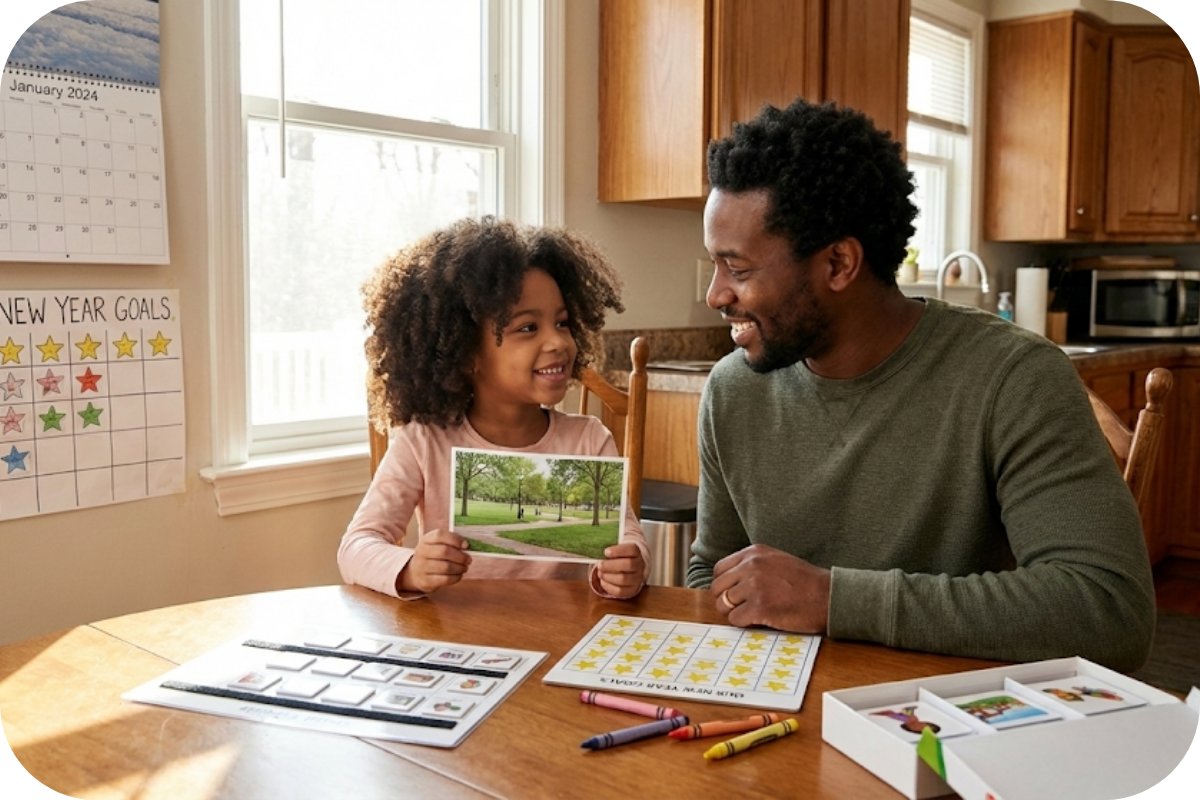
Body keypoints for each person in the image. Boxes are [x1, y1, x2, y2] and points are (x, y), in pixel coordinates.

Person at [686, 98, 1155, 672]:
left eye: (737, 269)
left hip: (948, 729)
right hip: (779, 718)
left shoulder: (1013, 377)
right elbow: (712, 571)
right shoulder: (732, 391)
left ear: (838, 264)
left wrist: (834, 600)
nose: (714, 295)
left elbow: (1109, 611)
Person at [339, 216, 649, 599]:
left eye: (563, 322)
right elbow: (356, 547)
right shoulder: (423, 442)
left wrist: (629, 565)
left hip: (564, 639)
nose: (558, 341)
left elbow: (627, 538)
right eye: (527, 327)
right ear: (466, 352)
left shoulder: (589, 439)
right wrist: (411, 568)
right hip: (455, 636)